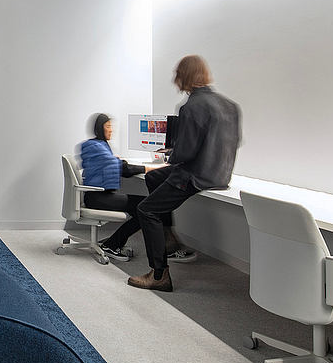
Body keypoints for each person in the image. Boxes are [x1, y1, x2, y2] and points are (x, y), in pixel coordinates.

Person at [128, 55, 241, 292]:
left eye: (176, 74)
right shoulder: (230, 105)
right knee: (152, 177)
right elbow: (233, 142)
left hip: (195, 176)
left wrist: (171, 153)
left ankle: (159, 274)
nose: (174, 79)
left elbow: (186, 153)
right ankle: (167, 236)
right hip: (220, 175)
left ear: (185, 76)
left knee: (146, 210)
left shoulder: (191, 106)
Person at [79, 113, 164, 261]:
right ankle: (112, 244)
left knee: (144, 207)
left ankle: (113, 242)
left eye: (111, 126)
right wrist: (151, 168)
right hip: (98, 198)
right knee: (146, 208)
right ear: (100, 128)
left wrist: (116, 161)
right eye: (108, 126)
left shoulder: (96, 146)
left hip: (98, 196)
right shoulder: (97, 148)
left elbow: (111, 164)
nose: (111, 130)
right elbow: (124, 170)